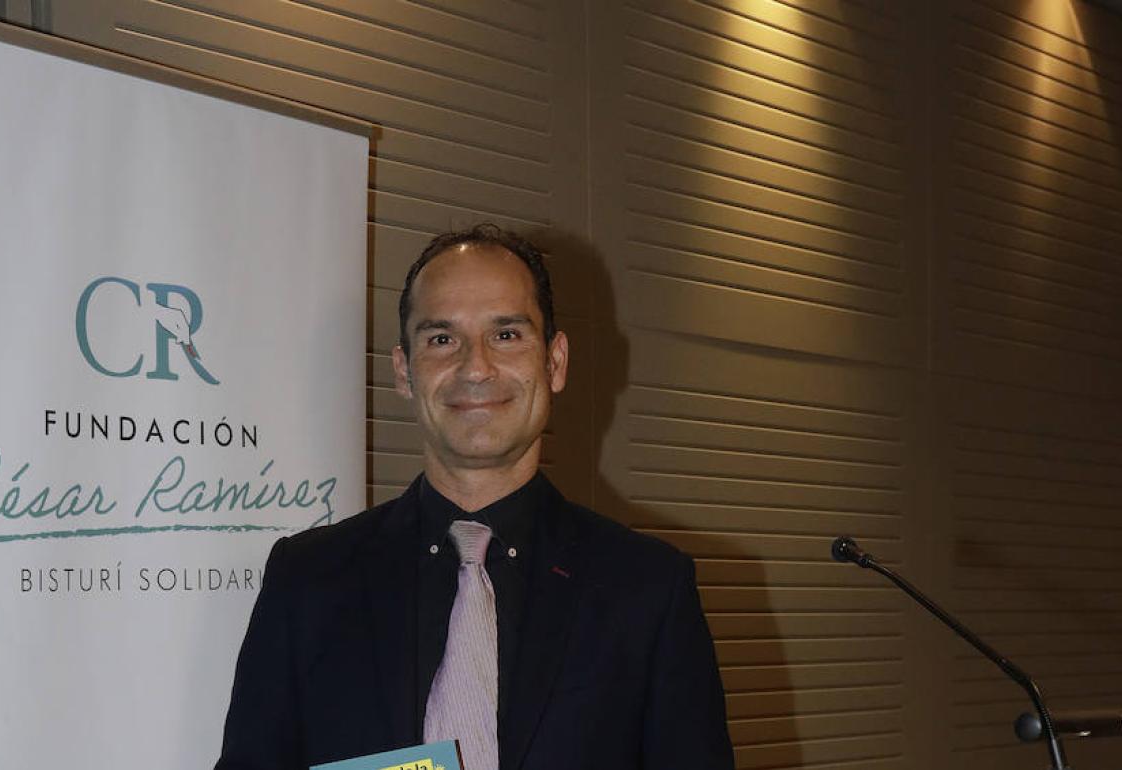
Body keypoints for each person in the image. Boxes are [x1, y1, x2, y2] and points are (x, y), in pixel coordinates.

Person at [215, 225, 733, 770]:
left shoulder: (648, 590)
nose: (476, 367)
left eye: (506, 334)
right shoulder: (307, 579)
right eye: (442, 338)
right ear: (403, 371)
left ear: (554, 362)